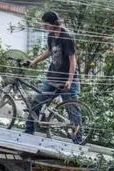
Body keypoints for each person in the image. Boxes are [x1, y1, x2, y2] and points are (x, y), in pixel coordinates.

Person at [24, 11, 83, 143]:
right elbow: (50, 51)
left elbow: (73, 60)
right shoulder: (51, 35)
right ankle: (29, 130)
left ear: (52, 23)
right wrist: (34, 61)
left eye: (46, 24)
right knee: (37, 101)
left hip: (68, 80)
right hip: (53, 77)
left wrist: (69, 79)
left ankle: (78, 141)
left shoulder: (66, 36)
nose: (44, 27)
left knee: (72, 109)